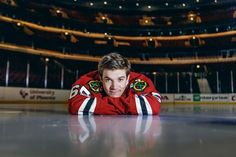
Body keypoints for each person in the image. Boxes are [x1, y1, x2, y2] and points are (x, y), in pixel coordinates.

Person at [68, 52, 161, 115]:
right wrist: (129, 106)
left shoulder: (139, 80)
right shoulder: (88, 80)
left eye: (120, 79)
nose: (114, 87)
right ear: (100, 77)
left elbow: (153, 106)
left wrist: (100, 106)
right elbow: (75, 105)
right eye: (108, 80)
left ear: (128, 78)